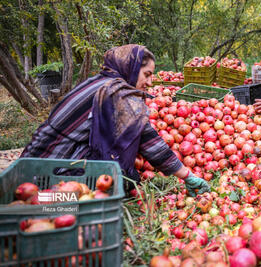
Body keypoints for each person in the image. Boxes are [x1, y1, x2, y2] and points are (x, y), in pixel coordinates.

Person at [21, 44, 210, 197]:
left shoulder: (100, 82)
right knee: (111, 182)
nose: (151, 83)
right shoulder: (116, 94)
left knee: (124, 175)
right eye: (147, 74)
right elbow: (149, 141)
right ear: (132, 68)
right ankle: (50, 201)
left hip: (32, 162)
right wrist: (187, 176)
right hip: (49, 172)